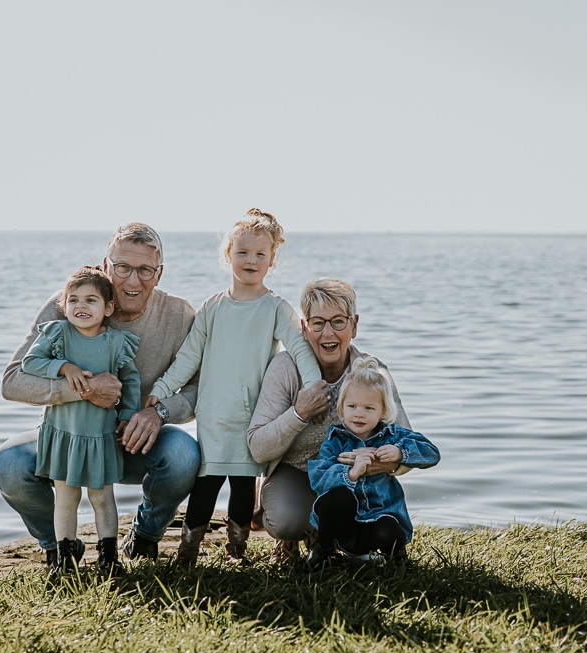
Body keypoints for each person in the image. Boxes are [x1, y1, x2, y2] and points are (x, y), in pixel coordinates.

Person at [0, 223, 200, 569]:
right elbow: (13, 380)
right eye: (122, 268)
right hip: (69, 439)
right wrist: (84, 391)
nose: (133, 281)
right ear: (106, 266)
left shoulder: (180, 315)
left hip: (129, 439)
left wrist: (158, 413)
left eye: (145, 270)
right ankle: (59, 547)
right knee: (10, 464)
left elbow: (199, 388)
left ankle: (144, 536)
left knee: (183, 454)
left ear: (159, 273)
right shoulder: (70, 304)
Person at [148, 209, 322, 565]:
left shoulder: (275, 308)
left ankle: (236, 550)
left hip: (251, 417)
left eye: (260, 254)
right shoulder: (212, 308)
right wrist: (163, 388)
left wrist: (315, 384)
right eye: (242, 252)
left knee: (243, 486)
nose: (251, 260)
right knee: (206, 484)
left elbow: (300, 348)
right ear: (228, 254)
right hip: (212, 416)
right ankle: (188, 551)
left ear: (272, 259)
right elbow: (187, 357)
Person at [247, 277, 413, 562]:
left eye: (338, 321)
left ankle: (338, 539)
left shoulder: (373, 373)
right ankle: (301, 538)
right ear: (304, 327)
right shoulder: (286, 368)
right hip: (296, 472)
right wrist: (299, 413)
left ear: (354, 325)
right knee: (286, 520)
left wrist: (374, 459)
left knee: (357, 509)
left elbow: (406, 446)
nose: (328, 333)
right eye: (317, 323)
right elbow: (258, 447)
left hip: (354, 481)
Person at [20, 266, 140, 578]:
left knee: (102, 497)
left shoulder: (116, 342)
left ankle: (109, 557)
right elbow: (30, 363)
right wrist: (63, 367)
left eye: (90, 300)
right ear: (64, 305)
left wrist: (127, 416)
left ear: (108, 307)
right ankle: (64, 559)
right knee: (66, 497)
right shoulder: (57, 334)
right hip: (64, 433)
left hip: (100, 434)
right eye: (73, 300)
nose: (81, 307)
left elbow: (130, 381)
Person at [305, 356, 440, 569]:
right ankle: (323, 549)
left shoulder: (392, 435)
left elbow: (432, 453)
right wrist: (350, 473)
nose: (359, 413)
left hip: (376, 522)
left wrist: (399, 452)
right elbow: (318, 476)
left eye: (369, 408)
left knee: (388, 528)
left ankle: (395, 557)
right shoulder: (335, 439)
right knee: (339, 496)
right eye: (352, 406)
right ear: (342, 408)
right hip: (342, 528)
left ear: (383, 411)